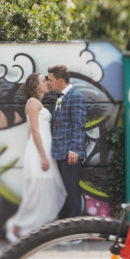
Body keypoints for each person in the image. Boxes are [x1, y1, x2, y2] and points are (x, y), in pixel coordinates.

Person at [6, 73, 66, 242]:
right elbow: (34, 131)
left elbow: (29, 132)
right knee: (35, 193)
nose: (47, 82)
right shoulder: (33, 103)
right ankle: (16, 226)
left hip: (41, 151)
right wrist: (42, 156)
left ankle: (42, 229)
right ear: (35, 85)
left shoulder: (37, 103)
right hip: (40, 154)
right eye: (43, 81)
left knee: (48, 191)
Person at [47, 64, 87, 219]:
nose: (49, 82)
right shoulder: (60, 97)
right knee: (63, 191)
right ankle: (63, 226)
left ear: (60, 80)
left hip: (70, 153)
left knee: (72, 191)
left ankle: (74, 230)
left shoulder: (76, 97)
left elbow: (79, 125)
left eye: (50, 80)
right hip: (59, 152)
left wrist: (74, 150)